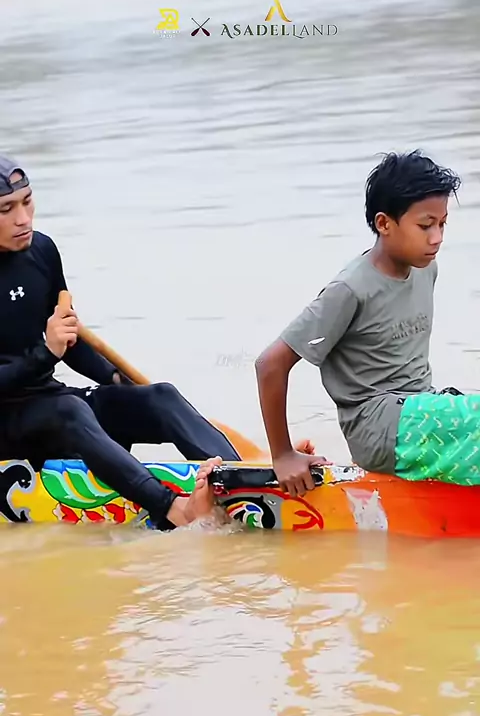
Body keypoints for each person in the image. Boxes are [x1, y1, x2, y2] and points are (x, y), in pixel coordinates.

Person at [0, 153, 244, 530]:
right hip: (9, 424)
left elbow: (70, 340)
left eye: (28, 202)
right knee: (69, 410)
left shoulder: (42, 251)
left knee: (159, 397)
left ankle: (243, 481)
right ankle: (171, 508)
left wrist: (115, 380)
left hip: (49, 404)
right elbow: (51, 349)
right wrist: (45, 354)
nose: (24, 219)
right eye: (7, 209)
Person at [255, 149, 469, 499]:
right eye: (425, 225)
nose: (437, 238)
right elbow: (270, 364)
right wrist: (282, 455)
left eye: (442, 224)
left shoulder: (426, 269)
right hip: (376, 428)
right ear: (384, 224)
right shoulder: (351, 289)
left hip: (421, 410)